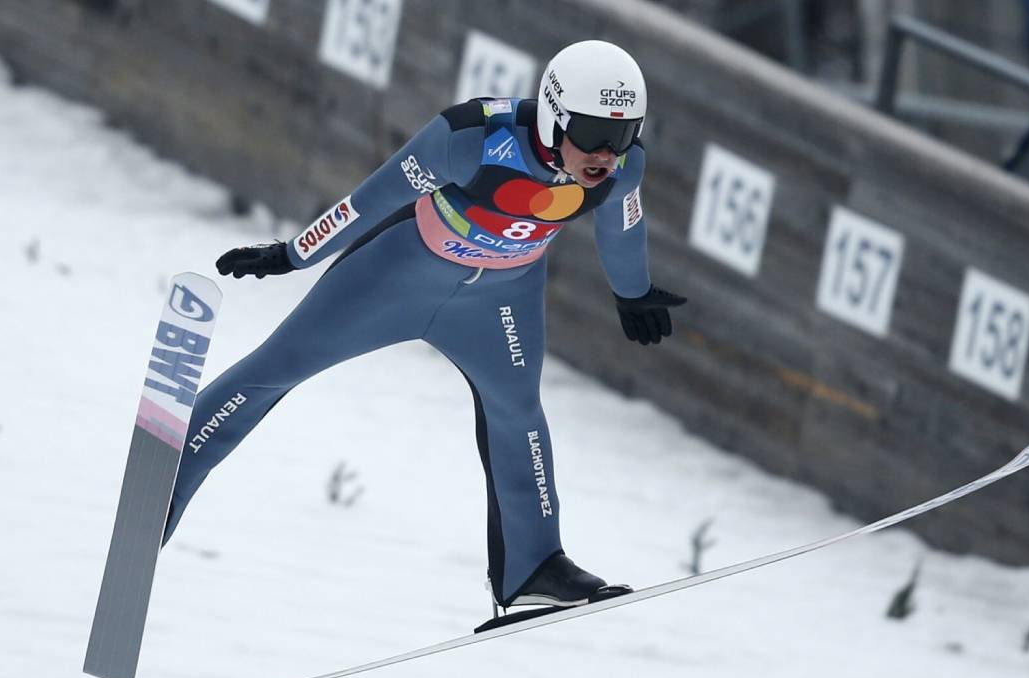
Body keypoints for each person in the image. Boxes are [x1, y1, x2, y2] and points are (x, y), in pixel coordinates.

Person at [163, 40, 685, 610]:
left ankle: (532, 565)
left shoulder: (621, 168)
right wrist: (295, 254)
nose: (608, 153)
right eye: (592, 133)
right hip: (398, 276)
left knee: (518, 413)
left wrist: (633, 294)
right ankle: (166, 477)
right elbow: (371, 199)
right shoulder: (473, 138)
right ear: (556, 112)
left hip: (500, 299)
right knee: (277, 367)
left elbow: (623, 227)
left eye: (626, 132)